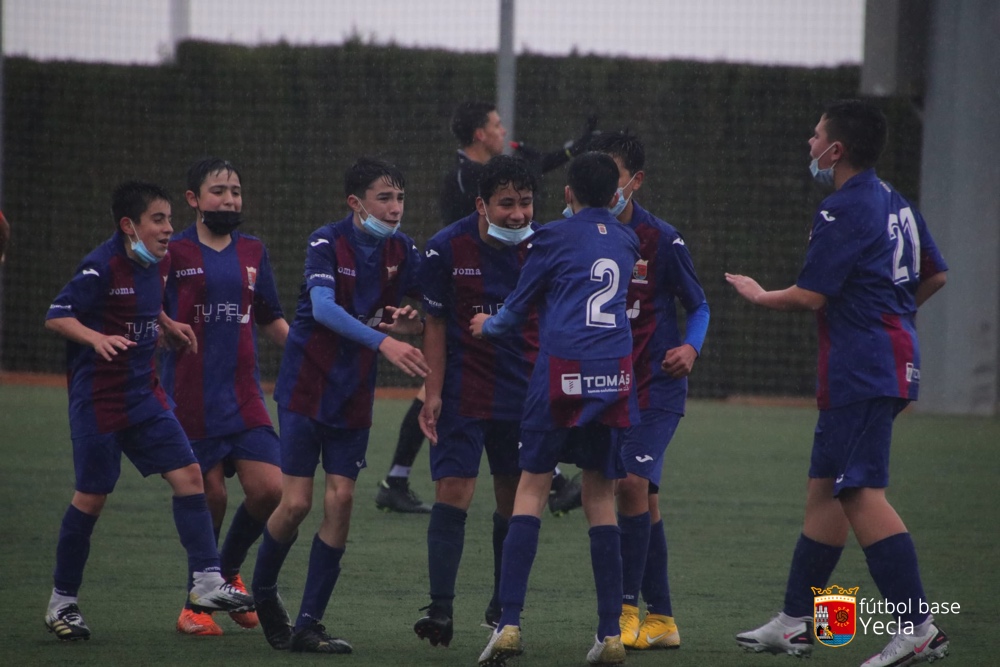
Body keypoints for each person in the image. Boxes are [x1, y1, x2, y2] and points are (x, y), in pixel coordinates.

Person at [727, 99, 949, 666]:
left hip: (865, 366)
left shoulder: (841, 207)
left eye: (816, 133)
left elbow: (810, 295)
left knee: (858, 492)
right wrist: (895, 316)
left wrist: (758, 294)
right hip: (875, 358)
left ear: (837, 149)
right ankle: (797, 622)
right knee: (825, 490)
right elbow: (936, 272)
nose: (809, 141)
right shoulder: (894, 199)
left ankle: (918, 627)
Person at [42, 181, 254, 641]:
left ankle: (204, 582)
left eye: (169, 219)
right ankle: (63, 602)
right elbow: (57, 314)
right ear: (129, 225)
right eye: (158, 219)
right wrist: (95, 338)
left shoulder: (159, 261)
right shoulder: (99, 267)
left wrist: (167, 323)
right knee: (92, 498)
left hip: (145, 394)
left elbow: (147, 305)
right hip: (98, 399)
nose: (168, 228)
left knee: (190, 476)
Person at [251, 157, 430, 653]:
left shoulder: (404, 250)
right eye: (384, 198)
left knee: (343, 499)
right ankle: (262, 590)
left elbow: (419, 317)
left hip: (354, 391)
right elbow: (325, 310)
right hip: (308, 385)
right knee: (297, 503)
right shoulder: (326, 241)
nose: (395, 208)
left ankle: (309, 623)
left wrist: (408, 321)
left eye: (400, 198)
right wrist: (384, 343)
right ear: (356, 203)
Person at [376, 100, 587, 515]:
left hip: (486, 319)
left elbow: (527, 174)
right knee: (439, 391)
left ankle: (397, 477)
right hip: (465, 303)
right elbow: (477, 232)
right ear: (479, 134)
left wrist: (568, 151)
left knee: (441, 392)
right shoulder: (466, 180)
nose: (501, 129)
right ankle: (398, 477)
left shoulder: (496, 182)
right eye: (495, 124)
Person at [473, 152, 641, 666]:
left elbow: (517, 309)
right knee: (600, 496)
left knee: (531, 488)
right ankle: (611, 633)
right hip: (613, 373)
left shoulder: (550, 237)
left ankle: (509, 625)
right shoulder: (630, 240)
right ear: (615, 196)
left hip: (562, 370)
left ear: (567, 193)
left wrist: (487, 325)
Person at [412, 155, 540, 647]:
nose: (517, 215)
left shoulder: (543, 246)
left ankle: (504, 606)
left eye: (525, 203)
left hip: (523, 395)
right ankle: (441, 610)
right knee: (454, 492)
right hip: (465, 393)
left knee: (515, 501)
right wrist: (434, 393)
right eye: (506, 204)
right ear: (481, 204)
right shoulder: (446, 247)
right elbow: (437, 325)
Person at [590, 132, 710, 650]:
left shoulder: (662, 239)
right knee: (644, 499)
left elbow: (699, 305)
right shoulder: (580, 236)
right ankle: (663, 620)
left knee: (632, 486)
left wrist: (691, 348)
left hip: (656, 385)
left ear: (634, 182)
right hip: (605, 387)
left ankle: (625, 609)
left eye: (612, 178)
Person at [161, 158, 289, 636]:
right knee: (209, 496)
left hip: (244, 395)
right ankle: (194, 603)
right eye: (218, 191)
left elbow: (270, 315)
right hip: (190, 398)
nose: (230, 199)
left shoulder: (254, 250)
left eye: (236, 190)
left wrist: (308, 351)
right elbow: (145, 308)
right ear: (193, 199)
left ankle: (227, 573)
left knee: (271, 490)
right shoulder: (171, 251)